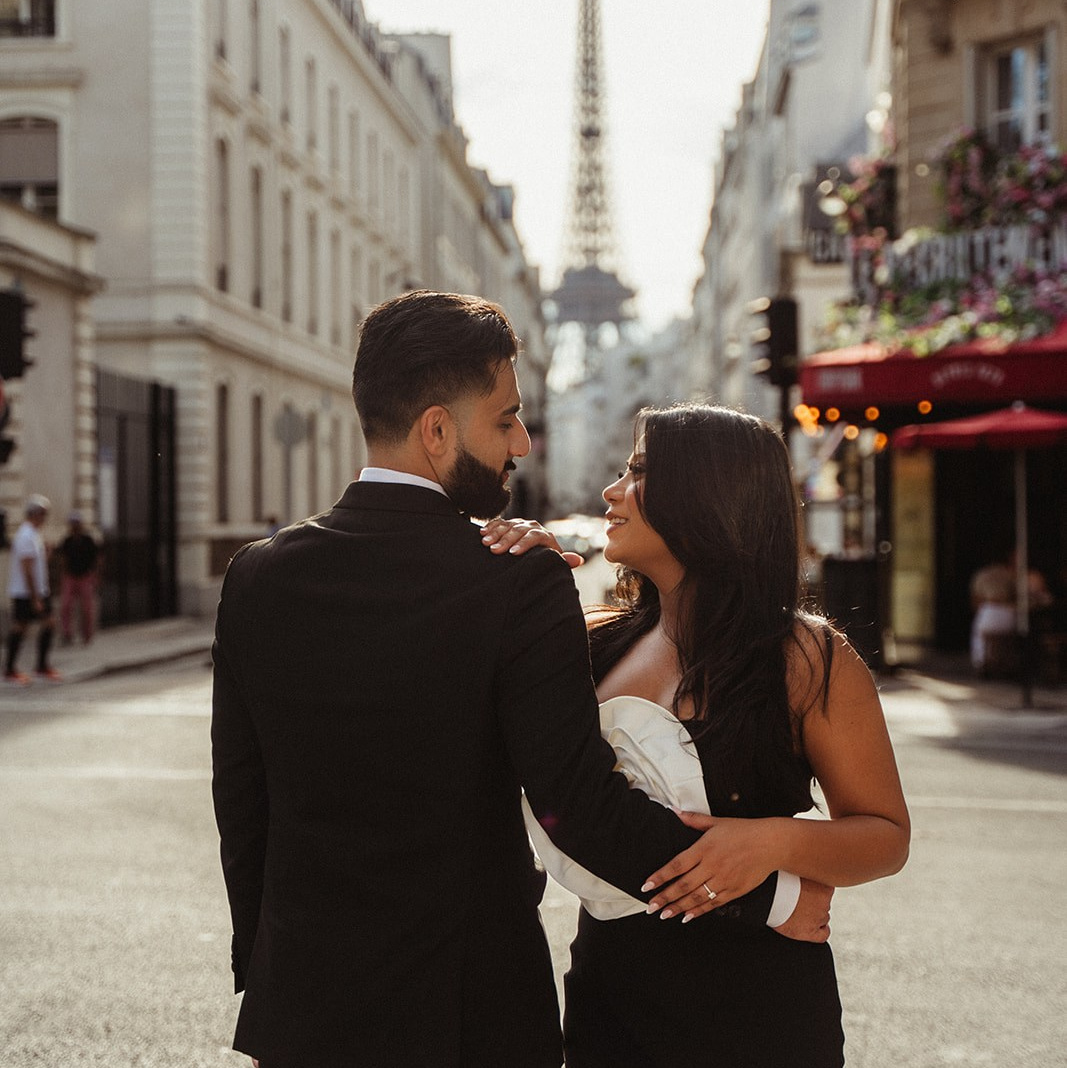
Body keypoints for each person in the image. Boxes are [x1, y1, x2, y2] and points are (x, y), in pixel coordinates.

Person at [210, 294, 831, 1068]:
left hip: (301, 1009)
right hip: (468, 1013)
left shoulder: (257, 575)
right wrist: (767, 897)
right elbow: (578, 804)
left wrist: (265, 968)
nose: (524, 443)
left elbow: (244, 802)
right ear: (436, 429)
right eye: (504, 420)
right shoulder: (515, 582)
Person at [482, 403, 911, 1068]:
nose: (611, 490)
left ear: (706, 494)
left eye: (640, 472)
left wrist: (774, 840)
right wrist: (514, 572)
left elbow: (884, 837)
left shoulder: (805, 655)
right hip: (608, 997)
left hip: (758, 1012)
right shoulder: (593, 640)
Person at [970, 548, 1053, 674]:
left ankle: (985, 664)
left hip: (1000, 614)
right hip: (1005, 614)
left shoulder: (1024, 576)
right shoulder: (1005, 576)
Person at [5, 494, 60, 684]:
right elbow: (27, 569)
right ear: (35, 514)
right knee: (22, 626)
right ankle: (14, 669)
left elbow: (35, 564)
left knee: (40, 624)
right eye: (43, 514)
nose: (45, 518)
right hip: (27, 592)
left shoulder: (33, 534)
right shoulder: (26, 535)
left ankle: (36, 666)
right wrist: (35, 597)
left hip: (35, 591)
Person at [57, 510, 100, 645]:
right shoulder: (67, 540)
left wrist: (96, 575)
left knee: (87, 607)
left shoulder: (88, 540)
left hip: (85, 576)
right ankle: (67, 633)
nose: (75, 526)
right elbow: (62, 559)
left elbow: (97, 559)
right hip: (70, 576)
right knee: (66, 606)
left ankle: (87, 634)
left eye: (76, 523)